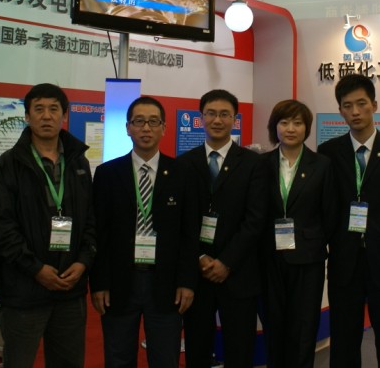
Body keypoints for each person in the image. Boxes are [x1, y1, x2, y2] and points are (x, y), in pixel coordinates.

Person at [0, 83, 96, 368]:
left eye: (53, 109)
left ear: (65, 116)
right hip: (24, 291)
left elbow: (91, 219)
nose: (46, 116)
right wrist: (35, 269)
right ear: (27, 116)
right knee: (18, 362)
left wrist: (83, 262)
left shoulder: (79, 163)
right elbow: (1, 227)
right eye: (39, 109)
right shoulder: (8, 165)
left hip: (70, 289)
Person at [319, 74, 380, 368]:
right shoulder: (328, 153)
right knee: (343, 344)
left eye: (361, 103)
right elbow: (327, 207)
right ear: (340, 111)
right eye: (347, 106)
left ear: (374, 105)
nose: (355, 112)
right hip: (344, 263)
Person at [90, 96, 197, 368]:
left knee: (165, 358)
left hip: (166, 283)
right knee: (118, 358)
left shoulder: (182, 173)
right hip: (119, 282)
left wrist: (187, 281)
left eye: (153, 122)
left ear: (164, 128)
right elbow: (99, 233)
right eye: (139, 121)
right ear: (128, 128)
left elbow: (189, 233)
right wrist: (99, 283)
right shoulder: (107, 173)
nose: (146, 128)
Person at [178, 89, 267, 368]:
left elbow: (255, 219)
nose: (217, 120)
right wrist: (200, 257)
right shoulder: (184, 163)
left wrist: (226, 262)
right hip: (197, 274)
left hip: (238, 273)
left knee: (240, 350)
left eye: (225, 114)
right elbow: (180, 221)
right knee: (197, 349)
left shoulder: (253, 163)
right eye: (211, 114)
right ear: (201, 117)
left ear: (234, 119)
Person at [260, 99, 335, 368]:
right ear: (275, 127)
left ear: (307, 128)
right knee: (273, 324)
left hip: (308, 259)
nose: (290, 128)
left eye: (297, 122)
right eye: (284, 122)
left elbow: (330, 214)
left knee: (304, 327)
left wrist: (314, 242)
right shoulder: (261, 164)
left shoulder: (322, 165)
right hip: (269, 258)